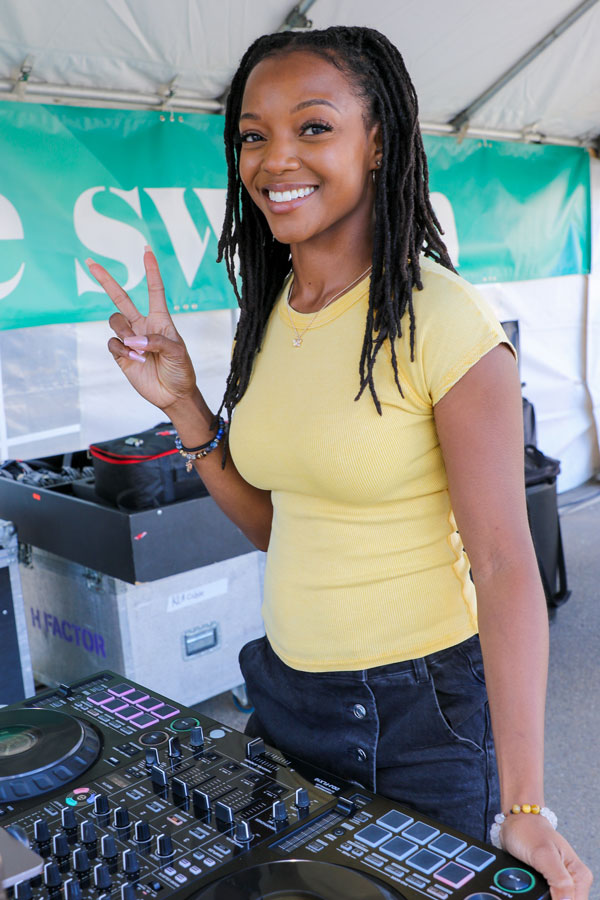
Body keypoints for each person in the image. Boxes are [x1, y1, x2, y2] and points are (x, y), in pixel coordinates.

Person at [86, 25, 592, 899]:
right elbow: (281, 529)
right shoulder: (272, 311)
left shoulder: (445, 323)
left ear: (379, 140)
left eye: (313, 127)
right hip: (285, 697)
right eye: (253, 134)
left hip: (415, 714)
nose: (276, 157)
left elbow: (509, 567)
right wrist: (183, 406)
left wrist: (527, 806)